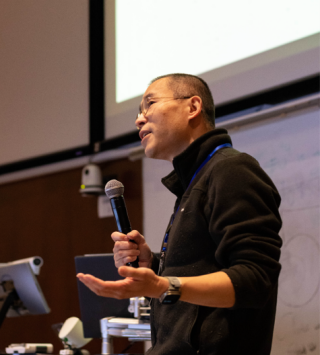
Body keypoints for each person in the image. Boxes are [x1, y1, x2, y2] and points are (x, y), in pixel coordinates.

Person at [77, 73, 282, 355]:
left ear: (193, 107)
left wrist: (164, 285)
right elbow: (201, 270)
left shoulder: (232, 170)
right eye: (138, 111)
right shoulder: (194, 182)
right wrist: (154, 264)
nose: (139, 119)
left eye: (150, 103)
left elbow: (256, 279)